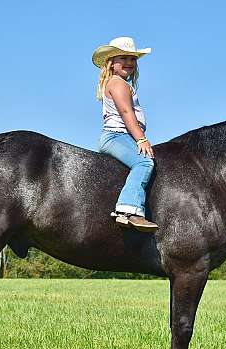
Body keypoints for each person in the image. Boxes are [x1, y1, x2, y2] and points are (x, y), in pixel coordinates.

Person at [92, 37, 158, 232]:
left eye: (133, 59)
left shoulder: (118, 83)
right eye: (123, 58)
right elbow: (126, 113)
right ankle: (128, 211)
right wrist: (141, 139)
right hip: (116, 136)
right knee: (144, 162)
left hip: (120, 136)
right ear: (111, 63)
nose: (129, 63)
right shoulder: (118, 83)